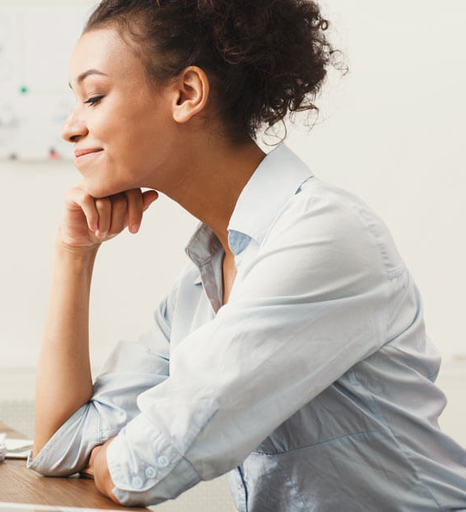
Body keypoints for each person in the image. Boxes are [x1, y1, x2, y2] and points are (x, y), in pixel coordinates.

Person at [27, 0, 466, 510]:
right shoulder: (197, 289)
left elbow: (141, 470)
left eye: (94, 97)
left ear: (186, 93)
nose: (70, 127)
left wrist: (109, 459)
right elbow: (58, 445)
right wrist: (74, 256)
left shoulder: (324, 237)